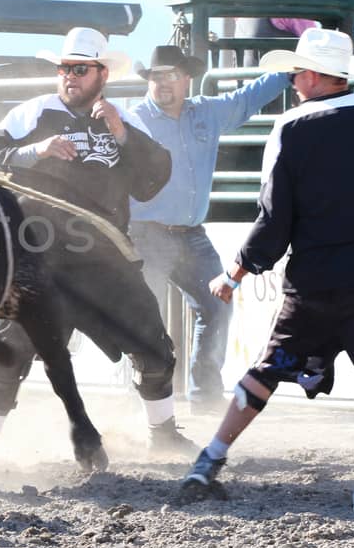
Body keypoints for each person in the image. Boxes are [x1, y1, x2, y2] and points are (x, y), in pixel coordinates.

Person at [179, 28, 354, 511]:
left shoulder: (289, 128)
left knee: (266, 369)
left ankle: (208, 461)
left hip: (308, 285)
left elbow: (274, 219)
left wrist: (236, 272)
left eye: (299, 70)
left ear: (320, 76)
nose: (294, 77)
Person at [0, 27, 186, 464]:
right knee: (8, 355)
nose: (70, 76)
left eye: (80, 69)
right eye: (65, 68)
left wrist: (122, 134)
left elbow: (153, 180)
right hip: (38, 258)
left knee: (154, 346)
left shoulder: (125, 120)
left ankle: (164, 435)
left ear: (102, 74)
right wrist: (36, 151)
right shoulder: (30, 114)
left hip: (103, 258)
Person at [124, 45, 291, 413]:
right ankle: (145, 401)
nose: (162, 83)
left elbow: (249, 98)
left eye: (170, 75)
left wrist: (288, 70)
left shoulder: (206, 112)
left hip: (190, 233)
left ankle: (205, 397)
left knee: (217, 303)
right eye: (155, 76)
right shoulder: (133, 120)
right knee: (141, 316)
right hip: (144, 232)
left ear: (186, 78)